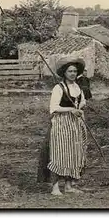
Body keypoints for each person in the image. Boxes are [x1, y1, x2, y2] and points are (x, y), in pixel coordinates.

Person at [37, 56, 88, 195]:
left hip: (75, 124)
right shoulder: (58, 88)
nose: (73, 73)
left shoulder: (78, 87)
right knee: (59, 154)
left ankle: (69, 186)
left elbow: (82, 101)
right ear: (64, 72)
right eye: (70, 71)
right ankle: (55, 188)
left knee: (73, 154)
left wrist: (79, 108)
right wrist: (71, 109)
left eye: (75, 71)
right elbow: (53, 107)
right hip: (61, 124)